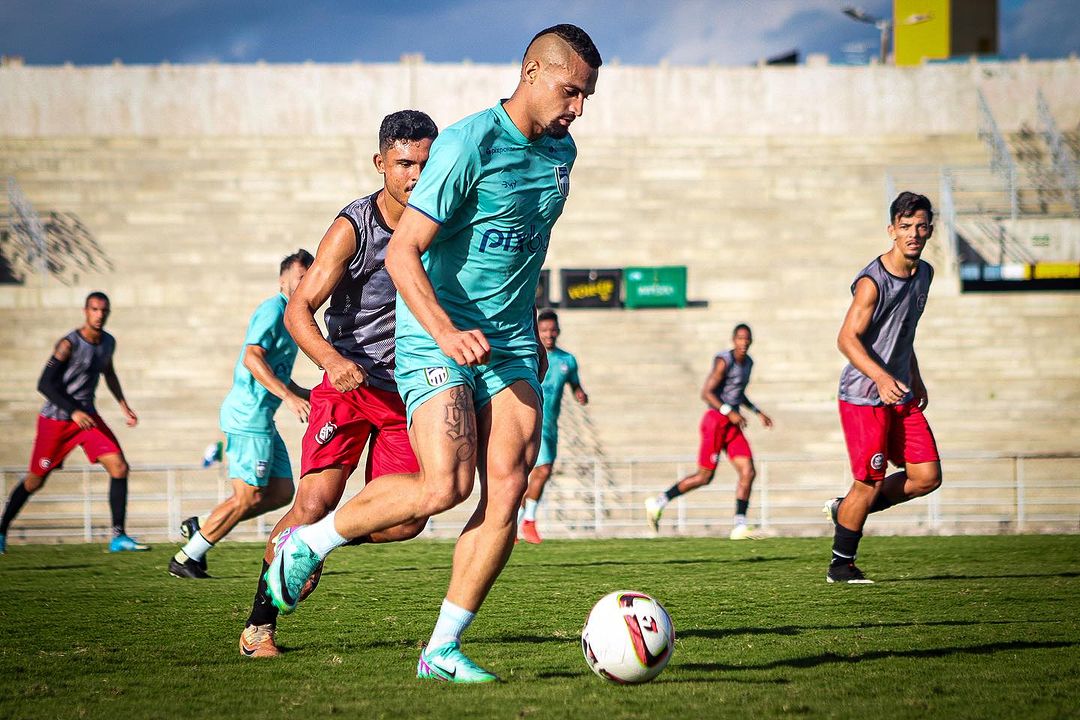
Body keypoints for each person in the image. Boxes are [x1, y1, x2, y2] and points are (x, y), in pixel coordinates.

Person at [264, 24, 601, 683]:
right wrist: (447, 332)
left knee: (507, 488)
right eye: (571, 91)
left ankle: (440, 650)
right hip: (436, 336)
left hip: (508, 343)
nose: (579, 108)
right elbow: (400, 250)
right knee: (444, 486)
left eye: (588, 96)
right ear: (532, 72)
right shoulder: (468, 144)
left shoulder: (564, 152)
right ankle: (311, 539)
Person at [238, 110, 439, 657]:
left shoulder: (443, 222)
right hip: (347, 385)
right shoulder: (355, 226)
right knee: (312, 502)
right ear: (381, 164)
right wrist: (330, 360)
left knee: (408, 521)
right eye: (404, 163)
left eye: (425, 162)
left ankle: (315, 546)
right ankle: (259, 627)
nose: (416, 174)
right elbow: (299, 309)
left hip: (407, 391)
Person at [169, 250, 314, 579]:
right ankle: (187, 557)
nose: (306, 282)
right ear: (283, 279)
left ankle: (201, 524)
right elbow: (252, 357)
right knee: (247, 495)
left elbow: (276, 371)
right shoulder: (273, 310)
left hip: (263, 419)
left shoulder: (292, 318)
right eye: (301, 276)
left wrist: (310, 394)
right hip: (248, 416)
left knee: (280, 491)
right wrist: (289, 398)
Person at [824, 191, 942, 584]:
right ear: (892, 230)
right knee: (869, 482)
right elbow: (846, 338)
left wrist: (915, 375)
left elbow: (902, 334)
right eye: (905, 227)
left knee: (927, 476)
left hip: (901, 391)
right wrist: (880, 376)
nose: (913, 233)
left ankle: (846, 509)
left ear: (929, 230)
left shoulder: (925, 274)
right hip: (864, 396)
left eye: (920, 226)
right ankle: (841, 565)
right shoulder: (872, 282)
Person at [0, 292, 144, 553]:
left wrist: (124, 406)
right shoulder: (69, 343)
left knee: (119, 467)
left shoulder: (108, 342)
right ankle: (1, 530)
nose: (99, 315)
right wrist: (73, 411)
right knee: (35, 480)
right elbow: (44, 384)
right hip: (56, 420)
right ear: (85, 311)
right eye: (94, 309)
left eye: (104, 310)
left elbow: (108, 372)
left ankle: (118, 537)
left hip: (87, 419)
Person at [644, 324, 773, 539]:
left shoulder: (749, 363)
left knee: (748, 471)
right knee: (704, 477)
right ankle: (658, 502)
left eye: (747, 339)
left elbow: (737, 393)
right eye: (740, 338)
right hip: (715, 421)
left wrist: (757, 411)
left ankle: (739, 525)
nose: (744, 342)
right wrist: (728, 411)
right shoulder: (724, 361)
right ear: (733, 340)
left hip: (732, 424)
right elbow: (706, 392)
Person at [517, 308, 588, 544]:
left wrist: (579, 393)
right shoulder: (528, 354)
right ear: (538, 330)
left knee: (543, 471)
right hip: (524, 420)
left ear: (558, 331)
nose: (549, 334)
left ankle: (522, 521)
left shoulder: (567, 360)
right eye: (544, 330)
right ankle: (521, 521)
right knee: (523, 474)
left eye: (552, 330)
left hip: (549, 427)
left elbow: (575, 384)